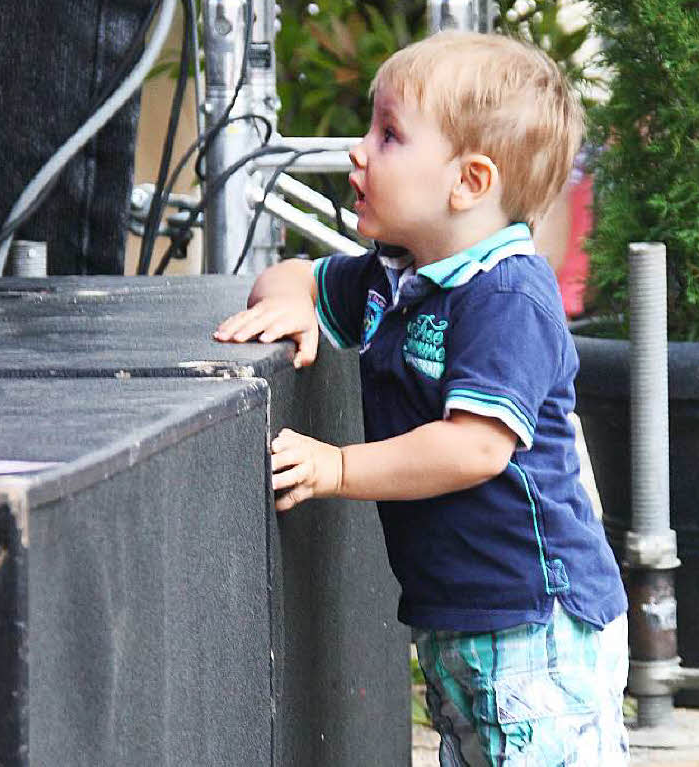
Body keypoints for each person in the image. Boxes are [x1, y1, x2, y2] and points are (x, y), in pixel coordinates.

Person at [214, 30, 629, 767]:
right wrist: (303, 307)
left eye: (390, 134)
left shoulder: (506, 295)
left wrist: (339, 468)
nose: (359, 151)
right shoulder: (393, 279)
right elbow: (288, 277)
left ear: (468, 182)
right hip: (460, 615)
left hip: (535, 620)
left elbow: (475, 446)